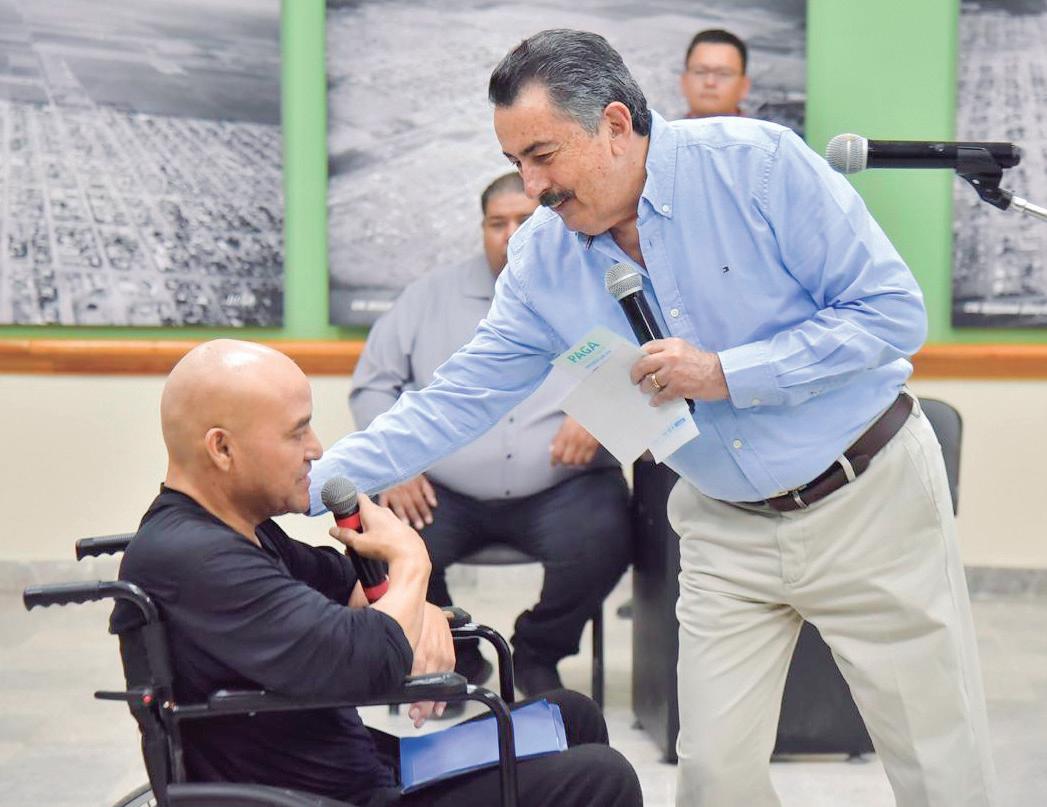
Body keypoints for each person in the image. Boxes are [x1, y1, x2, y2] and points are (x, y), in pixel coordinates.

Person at [310, 29, 997, 807]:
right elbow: (454, 398)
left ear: (613, 123)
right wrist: (304, 482)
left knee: (936, 760)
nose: (531, 186)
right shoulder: (541, 260)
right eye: (514, 163)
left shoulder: (756, 166)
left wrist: (725, 373)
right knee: (712, 777)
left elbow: (889, 314)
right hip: (722, 524)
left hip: (865, 497)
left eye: (542, 155)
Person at [113, 339, 642, 807]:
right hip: (326, 797)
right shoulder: (197, 558)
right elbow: (366, 660)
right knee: (600, 778)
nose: (316, 450)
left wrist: (419, 613)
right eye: (296, 433)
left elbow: (347, 584)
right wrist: (413, 563)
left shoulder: (238, 532)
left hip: (363, 766)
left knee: (570, 716)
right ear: (222, 447)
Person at [350, 172, 631, 697]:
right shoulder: (427, 297)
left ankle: (538, 652)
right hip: (443, 491)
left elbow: (644, 361)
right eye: (497, 223)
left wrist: (601, 411)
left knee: (608, 535)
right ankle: (457, 656)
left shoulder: (597, 284)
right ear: (481, 228)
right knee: (389, 543)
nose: (510, 234)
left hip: (564, 488)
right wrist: (397, 467)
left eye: (524, 221)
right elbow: (373, 385)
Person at [679, 28, 751, 118]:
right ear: (684, 82)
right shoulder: (665, 125)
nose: (710, 82)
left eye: (723, 73)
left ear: (744, 86)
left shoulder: (764, 126)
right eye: (700, 72)